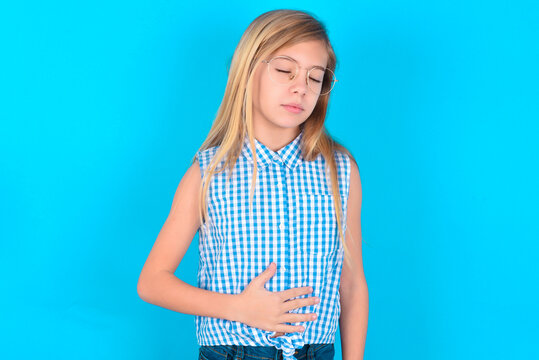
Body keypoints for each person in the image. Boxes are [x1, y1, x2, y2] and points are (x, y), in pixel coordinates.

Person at [137, 9, 368, 360]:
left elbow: (350, 285)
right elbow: (153, 282)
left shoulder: (340, 170)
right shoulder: (208, 173)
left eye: (315, 77)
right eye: (284, 70)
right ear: (249, 71)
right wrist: (240, 309)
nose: (300, 88)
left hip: (315, 352)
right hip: (233, 352)